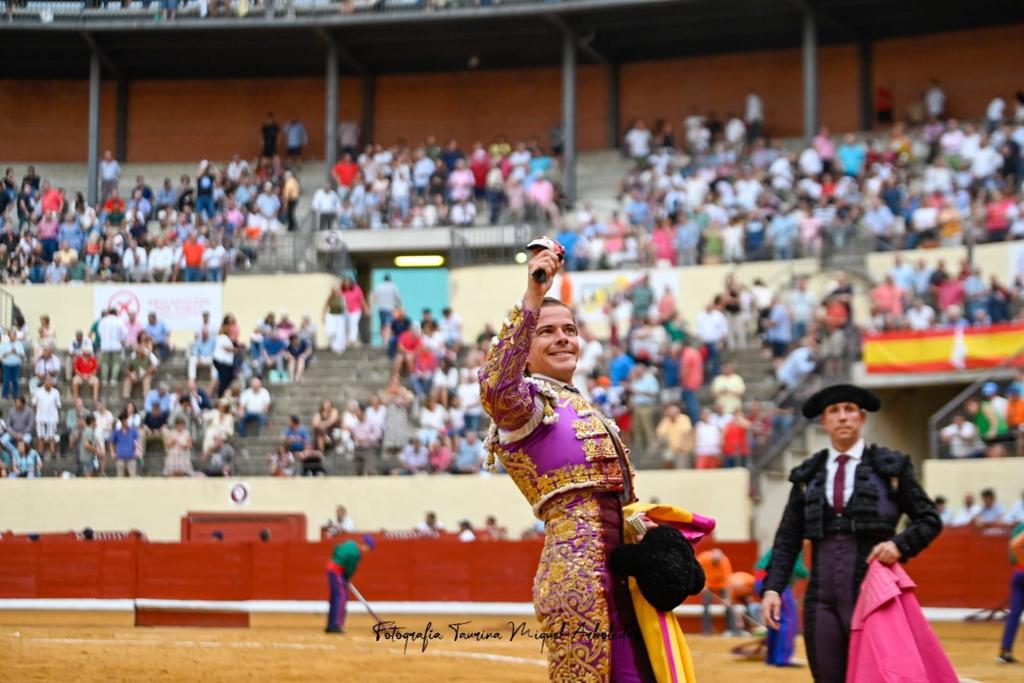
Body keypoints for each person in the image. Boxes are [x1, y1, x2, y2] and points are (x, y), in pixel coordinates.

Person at [478, 242, 659, 680]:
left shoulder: (579, 405)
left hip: (621, 576)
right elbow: (496, 386)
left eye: (570, 329)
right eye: (547, 331)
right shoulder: (527, 406)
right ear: (527, 345)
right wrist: (533, 296)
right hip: (578, 579)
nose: (563, 337)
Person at [761, 384, 942, 683]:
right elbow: (788, 537)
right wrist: (773, 588)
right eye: (834, 411)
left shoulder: (891, 468)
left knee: (878, 677)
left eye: (849, 410)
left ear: (862, 418)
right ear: (824, 421)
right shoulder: (808, 475)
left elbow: (928, 519)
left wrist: (899, 545)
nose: (842, 417)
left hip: (874, 595)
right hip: (822, 600)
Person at [755, 547, 808, 667]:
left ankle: (772, 657)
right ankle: (783, 659)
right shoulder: (796, 541)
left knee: (775, 619)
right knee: (788, 620)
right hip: (778, 583)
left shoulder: (782, 541)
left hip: (760, 580)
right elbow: (798, 569)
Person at [326, 535, 375, 634]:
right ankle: (336, 625)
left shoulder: (350, 543)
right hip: (337, 571)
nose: (367, 550)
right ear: (365, 545)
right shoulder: (356, 554)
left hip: (331, 568)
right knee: (341, 597)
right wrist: (346, 577)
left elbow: (336, 548)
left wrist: (336, 560)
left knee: (335, 597)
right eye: (369, 548)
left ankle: (331, 625)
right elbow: (350, 569)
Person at [998, 521, 1024, 663]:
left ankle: (1004, 652)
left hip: (1018, 573)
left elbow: (1014, 546)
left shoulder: (1019, 527)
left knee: (1014, 614)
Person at [697, 548, 737, 636]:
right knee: (705, 604)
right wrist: (701, 585)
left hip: (721, 585)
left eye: (718, 561)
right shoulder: (703, 558)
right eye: (715, 560)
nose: (716, 562)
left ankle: (732, 629)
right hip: (707, 585)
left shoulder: (725, 562)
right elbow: (696, 571)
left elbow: (728, 582)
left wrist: (727, 598)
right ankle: (706, 630)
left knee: (728, 605)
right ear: (711, 557)